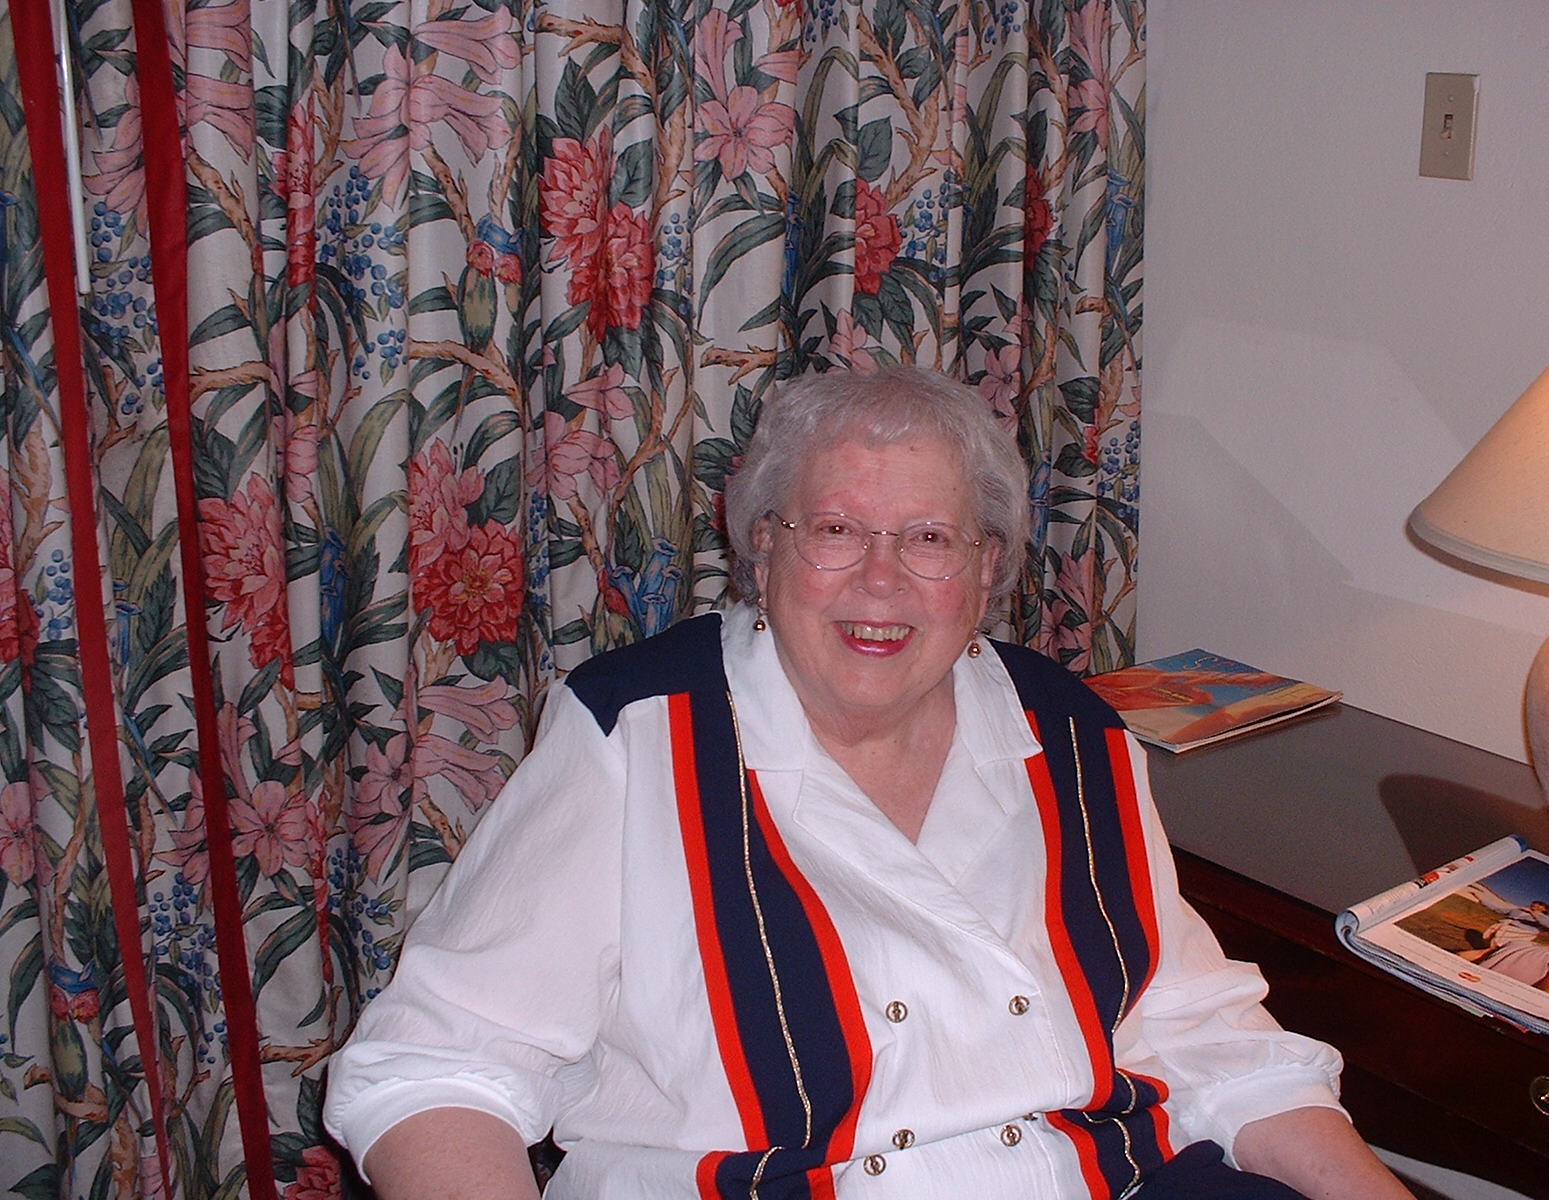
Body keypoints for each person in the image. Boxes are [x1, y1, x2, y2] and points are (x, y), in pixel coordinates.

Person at [324, 367, 1413, 1198]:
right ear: (763, 548)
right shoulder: (639, 732)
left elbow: (1198, 1032)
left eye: (930, 538)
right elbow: (435, 1068)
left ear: (986, 569)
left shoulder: (1070, 731)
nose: (880, 579)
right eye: (837, 530)